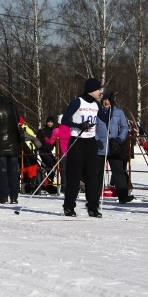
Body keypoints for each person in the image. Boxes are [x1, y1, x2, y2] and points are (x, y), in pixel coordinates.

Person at [60, 78, 103, 217]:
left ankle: (93, 207)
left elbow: (106, 117)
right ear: (91, 90)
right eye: (98, 89)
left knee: (92, 177)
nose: (100, 92)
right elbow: (65, 119)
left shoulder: (97, 104)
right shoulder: (78, 101)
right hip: (77, 141)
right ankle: (69, 207)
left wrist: (111, 104)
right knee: (74, 176)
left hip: (91, 142)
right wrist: (79, 125)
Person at [95, 91, 133, 204]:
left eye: (108, 99)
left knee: (118, 171)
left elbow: (124, 127)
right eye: (104, 100)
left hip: (114, 146)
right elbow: (93, 128)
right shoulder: (97, 112)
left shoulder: (118, 112)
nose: (106, 102)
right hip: (100, 146)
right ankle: (94, 196)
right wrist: (97, 139)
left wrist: (120, 138)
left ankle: (123, 196)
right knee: (97, 172)